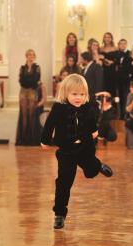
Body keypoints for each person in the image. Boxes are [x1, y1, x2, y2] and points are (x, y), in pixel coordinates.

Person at [40, 74, 113, 229]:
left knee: (91, 170)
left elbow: (93, 124)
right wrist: (45, 140)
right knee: (64, 183)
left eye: (82, 94)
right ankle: (59, 214)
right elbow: (49, 124)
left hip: (84, 147)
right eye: (74, 94)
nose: (78, 98)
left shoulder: (87, 108)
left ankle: (97, 165)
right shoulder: (59, 108)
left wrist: (94, 132)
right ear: (65, 93)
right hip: (66, 151)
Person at [15, 49, 42, 146]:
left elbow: (36, 80)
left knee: (31, 114)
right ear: (26, 56)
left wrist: (29, 81)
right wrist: (30, 81)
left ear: (34, 57)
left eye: (32, 55)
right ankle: (23, 139)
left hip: (32, 91)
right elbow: (21, 81)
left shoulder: (37, 67)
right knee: (24, 115)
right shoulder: (22, 68)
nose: (30, 56)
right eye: (29, 54)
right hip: (23, 91)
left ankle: (32, 139)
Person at [115, 38, 132, 119]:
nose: (123, 45)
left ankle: (126, 115)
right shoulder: (116, 54)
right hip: (117, 80)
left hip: (126, 80)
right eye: (121, 44)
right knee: (119, 98)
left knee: (126, 98)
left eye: (124, 44)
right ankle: (120, 115)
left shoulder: (129, 54)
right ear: (118, 45)